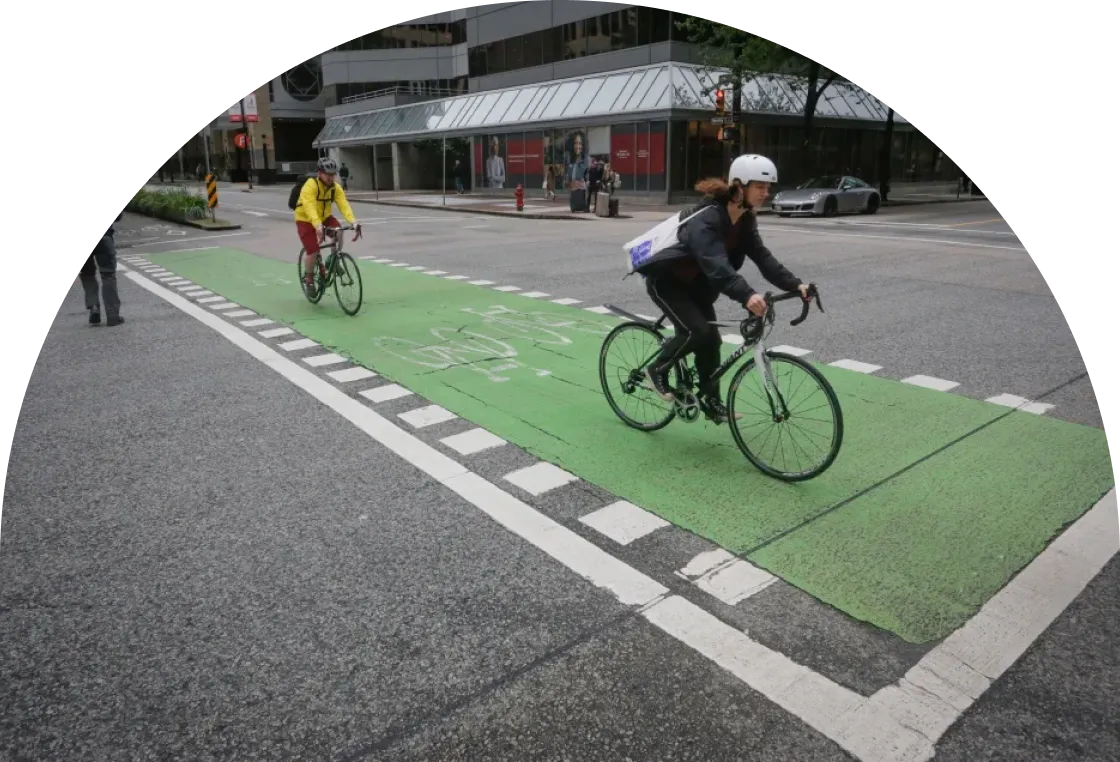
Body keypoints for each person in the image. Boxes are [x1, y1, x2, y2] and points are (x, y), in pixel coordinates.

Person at [635, 154, 811, 424]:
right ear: (739, 186)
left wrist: (795, 284)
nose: (766, 193)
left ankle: (711, 402)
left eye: (768, 187)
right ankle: (656, 369)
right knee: (697, 330)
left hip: (698, 287)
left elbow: (763, 258)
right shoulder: (705, 219)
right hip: (667, 283)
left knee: (712, 341)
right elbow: (716, 265)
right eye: (760, 187)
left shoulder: (745, 220)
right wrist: (747, 295)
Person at [294, 157, 361, 298]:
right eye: (328, 174)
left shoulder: (335, 188)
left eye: (333, 174)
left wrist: (354, 222)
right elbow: (309, 207)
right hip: (305, 219)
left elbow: (344, 205)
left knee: (339, 232)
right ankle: (309, 279)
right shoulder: (310, 185)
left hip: (324, 217)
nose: (331, 178)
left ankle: (333, 259)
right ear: (320, 173)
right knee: (312, 251)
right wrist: (317, 225)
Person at [81, 208, 124, 326]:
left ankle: (93, 306)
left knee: (87, 274)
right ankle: (112, 315)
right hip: (103, 238)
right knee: (108, 275)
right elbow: (117, 215)